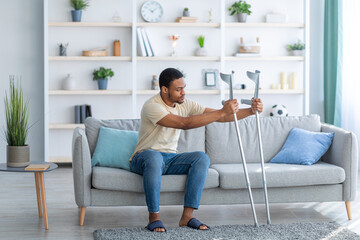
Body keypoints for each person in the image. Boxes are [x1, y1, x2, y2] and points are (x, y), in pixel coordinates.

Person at [130, 68, 263, 232]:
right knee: (154, 157)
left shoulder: (185, 104)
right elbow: (183, 123)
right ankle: (154, 218)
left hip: (170, 159)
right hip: (144, 158)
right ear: (164, 89)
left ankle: (187, 217)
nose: (183, 93)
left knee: (201, 158)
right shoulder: (152, 106)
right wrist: (222, 111)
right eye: (178, 89)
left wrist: (250, 110)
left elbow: (220, 116)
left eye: (184, 88)